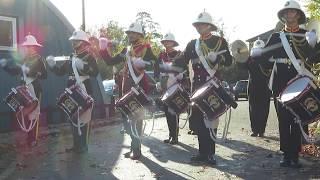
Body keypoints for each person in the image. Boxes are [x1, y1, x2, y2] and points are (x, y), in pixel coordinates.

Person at [251, 0, 318, 168]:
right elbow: (265, 60)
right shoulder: (276, 36)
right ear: (283, 16)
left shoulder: (305, 34)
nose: (289, 15)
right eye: (286, 13)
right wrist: (257, 54)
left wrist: (314, 45)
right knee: (283, 119)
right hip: (280, 80)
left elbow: (314, 59)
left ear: (298, 15)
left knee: (297, 118)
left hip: (298, 79)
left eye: (292, 12)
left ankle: (294, 154)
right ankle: (285, 154)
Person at [171, 11, 233, 165]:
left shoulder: (219, 41)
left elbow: (229, 61)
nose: (199, 27)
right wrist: (171, 69)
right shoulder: (192, 44)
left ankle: (211, 153)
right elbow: (181, 61)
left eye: (202, 24)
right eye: (197, 25)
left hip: (213, 84)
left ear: (209, 26)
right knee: (198, 120)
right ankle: (202, 152)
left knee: (211, 117)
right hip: (197, 85)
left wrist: (219, 57)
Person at [99, 22, 159, 160]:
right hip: (125, 88)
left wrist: (145, 63)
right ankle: (134, 145)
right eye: (129, 33)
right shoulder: (126, 50)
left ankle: (136, 149)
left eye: (133, 33)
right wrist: (103, 49)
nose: (130, 35)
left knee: (136, 119)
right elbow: (110, 62)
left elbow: (156, 63)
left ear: (139, 35)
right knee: (126, 120)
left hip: (138, 87)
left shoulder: (145, 49)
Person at [46, 30, 99, 153]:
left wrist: (84, 66)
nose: (73, 43)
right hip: (71, 90)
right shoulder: (71, 57)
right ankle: (76, 145)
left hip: (84, 89)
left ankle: (84, 146)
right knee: (73, 118)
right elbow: (60, 72)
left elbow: (95, 73)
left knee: (84, 119)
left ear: (83, 42)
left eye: (76, 41)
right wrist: (52, 66)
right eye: (73, 41)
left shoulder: (89, 57)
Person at [0, 34, 47, 147]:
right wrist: (5, 66)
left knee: (34, 114)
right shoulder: (24, 59)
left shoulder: (39, 59)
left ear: (34, 47)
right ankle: (28, 138)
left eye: (29, 46)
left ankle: (33, 139)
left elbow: (45, 75)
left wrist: (30, 72)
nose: (27, 48)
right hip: (24, 89)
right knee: (26, 113)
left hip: (34, 88)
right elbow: (15, 71)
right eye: (26, 46)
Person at [157, 32, 184, 144]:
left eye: (169, 41)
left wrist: (180, 75)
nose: (167, 43)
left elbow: (182, 69)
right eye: (165, 42)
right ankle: (170, 135)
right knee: (167, 113)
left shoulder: (179, 54)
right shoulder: (161, 55)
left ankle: (175, 136)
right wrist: (158, 81)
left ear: (173, 43)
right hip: (165, 86)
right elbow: (157, 70)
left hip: (175, 85)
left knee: (174, 111)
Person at [247, 39, 272, 137]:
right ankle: (255, 130)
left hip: (264, 86)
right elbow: (242, 65)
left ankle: (261, 130)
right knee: (253, 109)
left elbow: (270, 68)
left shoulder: (267, 59)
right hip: (253, 86)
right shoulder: (249, 59)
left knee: (264, 109)